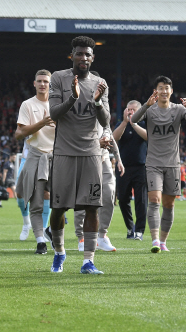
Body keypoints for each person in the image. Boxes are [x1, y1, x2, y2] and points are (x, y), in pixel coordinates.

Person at [47, 36, 109, 274]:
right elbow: (54, 113)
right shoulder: (58, 78)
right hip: (64, 152)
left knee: (92, 208)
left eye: (88, 54)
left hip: (91, 152)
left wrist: (96, 103)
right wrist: (73, 96)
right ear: (71, 55)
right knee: (59, 208)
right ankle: (59, 253)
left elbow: (105, 121)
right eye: (80, 54)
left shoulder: (100, 83)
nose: (84, 58)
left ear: (93, 58)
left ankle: (88, 261)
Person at [130, 75, 186, 254]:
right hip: (153, 163)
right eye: (161, 88)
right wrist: (146, 104)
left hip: (173, 164)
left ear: (171, 91)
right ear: (156, 91)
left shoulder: (177, 109)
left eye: (167, 88)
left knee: (169, 204)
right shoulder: (150, 110)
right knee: (154, 201)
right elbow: (134, 119)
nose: (164, 91)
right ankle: (154, 240)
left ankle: (163, 242)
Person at [14, 69, 55, 253]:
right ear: (34, 83)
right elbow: (19, 134)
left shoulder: (58, 104)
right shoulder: (27, 105)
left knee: (63, 202)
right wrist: (43, 123)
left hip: (58, 157)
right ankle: (40, 240)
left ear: (50, 83)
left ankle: (51, 230)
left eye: (46, 81)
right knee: (35, 201)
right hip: (36, 155)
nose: (42, 84)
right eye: (39, 81)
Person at [74, 124, 124, 252]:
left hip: (103, 158)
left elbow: (109, 134)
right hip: (84, 157)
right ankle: (81, 237)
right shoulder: (80, 111)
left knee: (108, 194)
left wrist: (118, 159)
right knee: (83, 198)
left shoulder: (102, 110)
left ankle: (102, 236)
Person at [112, 100, 148, 240]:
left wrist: (134, 123)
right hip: (123, 167)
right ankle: (130, 227)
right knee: (122, 199)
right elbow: (114, 138)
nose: (130, 111)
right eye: (128, 109)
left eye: (133, 109)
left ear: (140, 111)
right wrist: (126, 123)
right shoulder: (121, 124)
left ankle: (139, 230)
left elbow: (148, 137)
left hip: (141, 167)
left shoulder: (144, 124)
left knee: (141, 200)